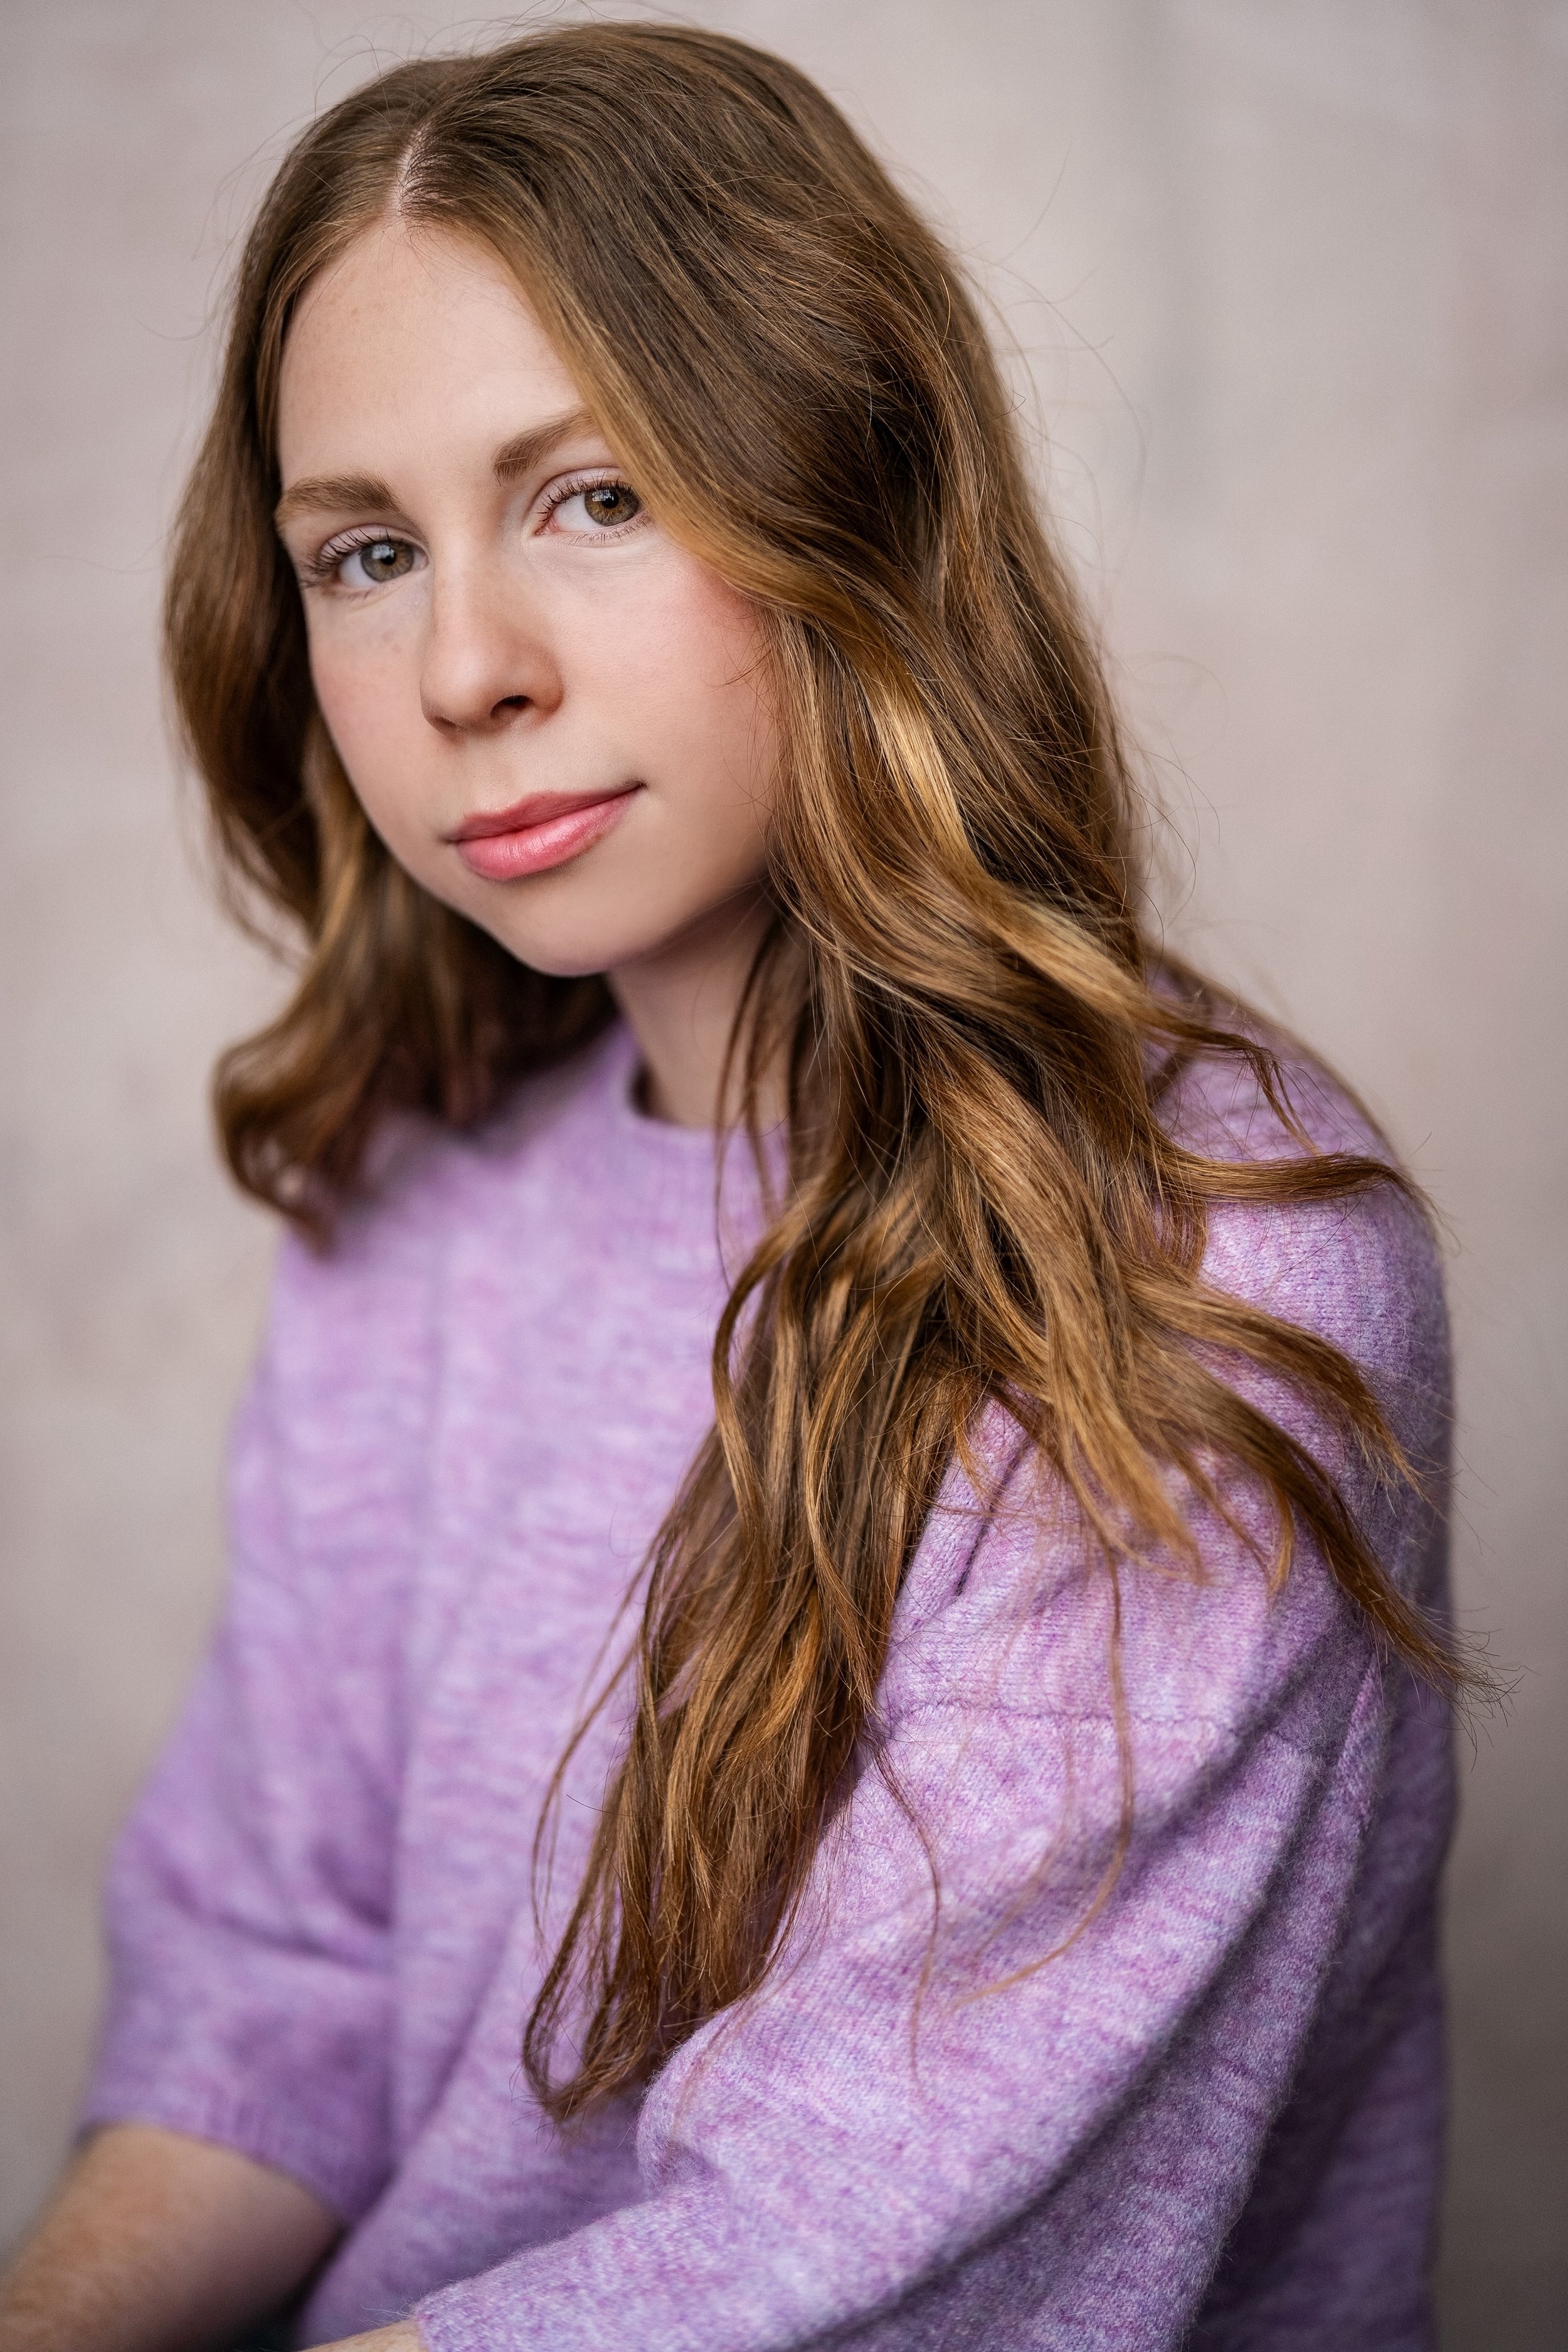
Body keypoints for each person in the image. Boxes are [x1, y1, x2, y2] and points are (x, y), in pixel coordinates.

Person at [0, 24, 1465, 2352]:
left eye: (589, 497)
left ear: (845, 496)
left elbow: (832, 2261)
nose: (462, 664)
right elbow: (275, 1993)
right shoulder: (415, 1206)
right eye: (363, 554)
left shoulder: (1205, 1267)